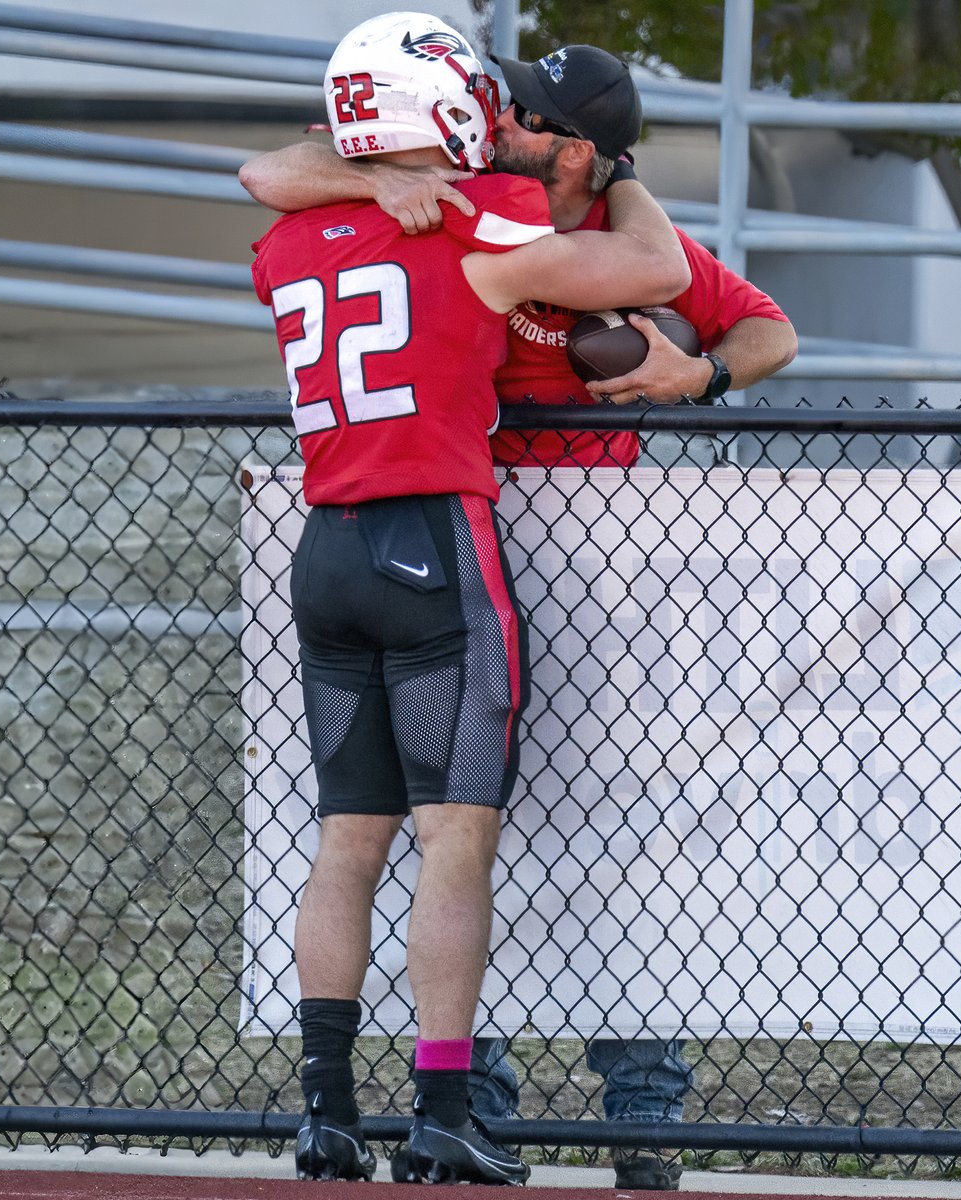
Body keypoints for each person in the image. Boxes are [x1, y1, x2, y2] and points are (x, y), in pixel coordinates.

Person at [242, 37, 795, 1193]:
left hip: (362, 543)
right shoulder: (478, 214)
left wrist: (699, 374)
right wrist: (394, 179)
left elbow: (271, 178)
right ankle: (455, 1106)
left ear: (578, 148)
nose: (497, 120)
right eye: (484, 103)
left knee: (547, 842)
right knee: (461, 843)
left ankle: (347, 1115)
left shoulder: (313, 239)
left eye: (525, 115)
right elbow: (286, 163)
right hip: (449, 550)